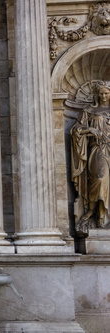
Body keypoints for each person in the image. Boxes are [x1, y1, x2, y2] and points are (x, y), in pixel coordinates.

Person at [71, 80, 110, 235]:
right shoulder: (89, 111)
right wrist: (90, 130)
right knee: (100, 179)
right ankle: (95, 212)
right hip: (98, 149)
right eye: (101, 93)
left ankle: (103, 216)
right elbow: (76, 130)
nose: (104, 96)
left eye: (106, 93)